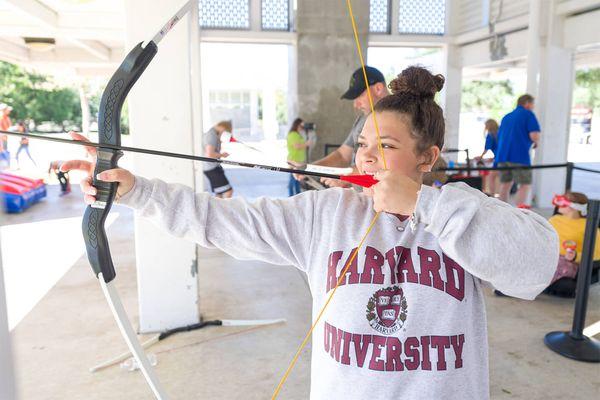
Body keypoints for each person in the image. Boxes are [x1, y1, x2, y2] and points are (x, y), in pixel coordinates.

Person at [63, 66, 558, 400]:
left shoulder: (459, 211)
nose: (366, 157)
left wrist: (421, 202)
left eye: (385, 146)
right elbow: (222, 222)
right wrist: (136, 192)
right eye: (364, 143)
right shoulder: (327, 213)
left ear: (427, 158)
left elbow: (536, 266)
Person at [309, 66, 389, 187]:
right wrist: (310, 169)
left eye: (359, 96)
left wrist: (348, 176)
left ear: (378, 88)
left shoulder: (398, 119)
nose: (356, 104)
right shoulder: (362, 119)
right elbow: (342, 155)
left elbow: (391, 167)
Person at [495, 94, 541, 206]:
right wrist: (536, 142)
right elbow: (534, 135)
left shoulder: (506, 116)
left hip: (502, 156)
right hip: (519, 156)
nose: (533, 106)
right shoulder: (528, 114)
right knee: (525, 184)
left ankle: (502, 210)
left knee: (505, 184)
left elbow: (499, 136)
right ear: (527, 103)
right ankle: (519, 211)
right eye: (532, 104)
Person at [547, 192, 600, 287]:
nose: (558, 203)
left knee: (554, 265)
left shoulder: (589, 226)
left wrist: (575, 256)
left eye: (563, 200)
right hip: (550, 256)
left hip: (569, 261)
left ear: (574, 206)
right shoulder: (554, 220)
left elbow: (597, 253)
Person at [203, 120, 233, 198]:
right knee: (228, 191)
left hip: (210, 167)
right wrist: (222, 155)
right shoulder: (211, 135)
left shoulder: (213, 134)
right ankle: (225, 209)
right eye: (225, 131)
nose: (224, 133)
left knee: (219, 193)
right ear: (222, 127)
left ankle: (219, 209)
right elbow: (209, 154)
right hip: (211, 168)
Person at [287, 118, 312, 196]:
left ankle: (297, 195)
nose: (303, 127)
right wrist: (306, 144)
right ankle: (291, 196)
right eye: (302, 125)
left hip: (299, 161)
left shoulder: (298, 134)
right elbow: (296, 146)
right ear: (297, 125)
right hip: (294, 160)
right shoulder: (293, 134)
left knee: (297, 179)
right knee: (293, 179)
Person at [475, 119, 499, 196]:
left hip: (499, 159)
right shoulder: (500, 132)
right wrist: (494, 157)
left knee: (492, 177)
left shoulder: (491, 134)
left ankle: (492, 195)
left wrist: (480, 157)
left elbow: (487, 148)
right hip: (502, 157)